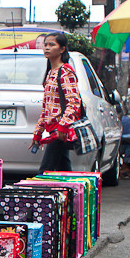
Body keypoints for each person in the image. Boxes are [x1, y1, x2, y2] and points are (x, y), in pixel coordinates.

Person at [29, 32, 81, 173]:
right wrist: (38, 133)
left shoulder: (65, 72)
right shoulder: (51, 72)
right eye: (45, 45)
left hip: (59, 132)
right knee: (63, 171)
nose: (47, 48)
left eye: (52, 45)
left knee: (45, 171)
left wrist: (62, 127)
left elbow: (74, 102)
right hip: (53, 130)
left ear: (62, 49)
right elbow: (47, 108)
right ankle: (73, 194)